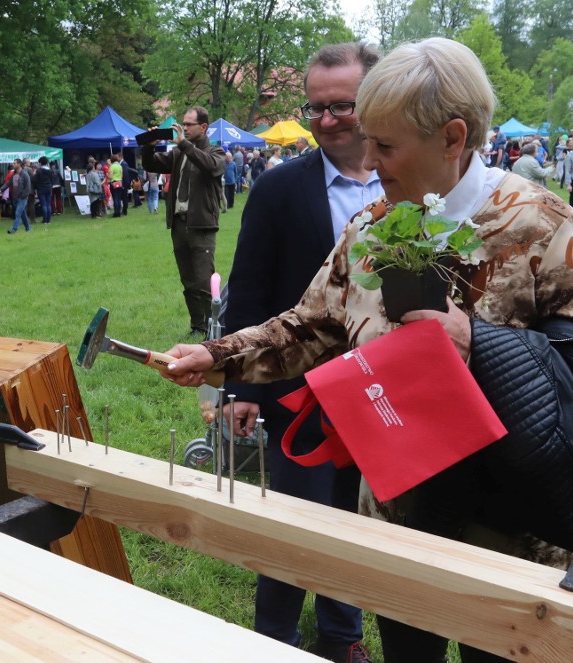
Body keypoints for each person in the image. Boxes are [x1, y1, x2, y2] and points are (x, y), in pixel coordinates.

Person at [162, 37, 573, 663]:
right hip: (400, 515)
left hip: (517, 534)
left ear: (453, 137)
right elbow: (309, 326)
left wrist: (482, 343)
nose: (370, 159)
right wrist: (218, 357)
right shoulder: (374, 228)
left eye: (385, 145)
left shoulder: (544, 227)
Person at [216, 41, 383, 663]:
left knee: (359, 516)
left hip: (383, 388)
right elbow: (250, 289)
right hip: (299, 388)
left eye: (344, 105)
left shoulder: (412, 187)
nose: (328, 119)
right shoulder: (280, 189)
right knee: (293, 517)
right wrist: (240, 389)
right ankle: (276, 638)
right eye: (317, 108)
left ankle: (343, 634)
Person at [141, 106, 225, 337]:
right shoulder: (178, 153)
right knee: (188, 281)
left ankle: (212, 327)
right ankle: (197, 326)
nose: (184, 128)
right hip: (179, 225)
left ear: (204, 127)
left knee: (203, 283)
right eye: (183, 124)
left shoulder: (215, 151)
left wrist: (184, 145)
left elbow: (211, 166)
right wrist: (149, 147)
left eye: (189, 124)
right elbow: (152, 165)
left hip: (202, 226)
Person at [0, 159, 31, 234]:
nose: (13, 164)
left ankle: (14, 229)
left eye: (15, 163)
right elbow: (8, 183)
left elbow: (28, 187)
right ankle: (28, 228)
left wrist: (24, 196)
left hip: (22, 198)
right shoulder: (14, 174)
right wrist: (1, 190)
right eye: (13, 163)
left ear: (19, 164)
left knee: (18, 213)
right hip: (15, 197)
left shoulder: (25, 174)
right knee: (23, 214)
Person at [33, 156, 54, 224]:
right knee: (48, 204)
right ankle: (49, 220)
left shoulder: (39, 171)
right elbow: (51, 180)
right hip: (49, 188)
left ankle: (45, 220)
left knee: (44, 204)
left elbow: (36, 180)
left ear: (40, 163)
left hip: (41, 188)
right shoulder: (50, 170)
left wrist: (35, 188)